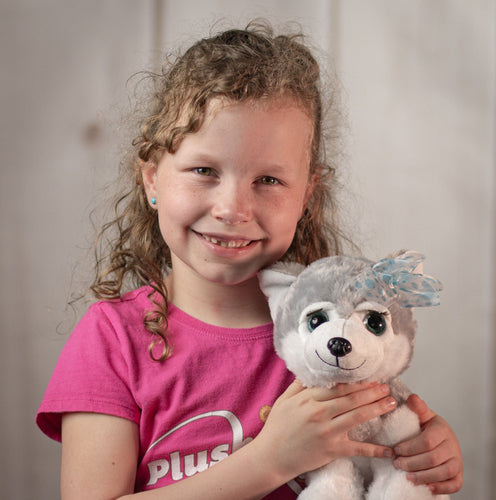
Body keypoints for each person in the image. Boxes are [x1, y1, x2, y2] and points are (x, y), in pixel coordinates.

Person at [36, 21, 463, 499]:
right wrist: (269, 461)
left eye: (269, 180)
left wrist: (425, 455)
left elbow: (382, 450)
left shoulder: (327, 335)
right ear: (153, 179)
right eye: (203, 170)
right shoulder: (113, 338)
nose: (233, 209)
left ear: (307, 195)